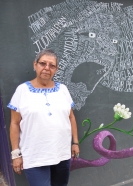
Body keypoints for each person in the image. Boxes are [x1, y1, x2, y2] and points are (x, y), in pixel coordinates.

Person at [8, 49, 80, 186]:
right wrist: (16, 154)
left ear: (56, 69)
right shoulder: (22, 91)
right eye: (43, 63)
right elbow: (14, 123)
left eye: (52, 65)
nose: (47, 68)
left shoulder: (63, 89)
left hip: (61, 153)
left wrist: (75, 143)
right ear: (35, 65)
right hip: (35, 156)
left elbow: (71, 117)